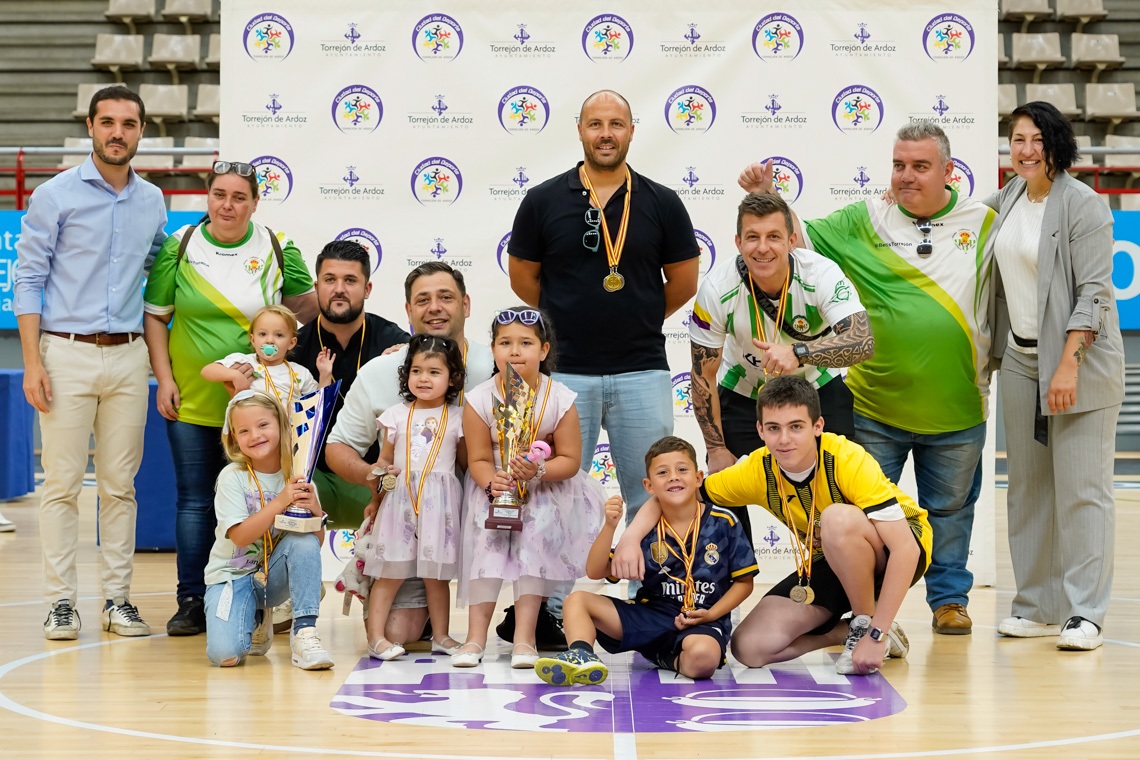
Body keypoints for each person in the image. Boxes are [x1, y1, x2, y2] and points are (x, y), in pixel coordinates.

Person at [739, 121, 996, 635]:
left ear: (949, 171)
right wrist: (766, 195)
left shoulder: (985, 222)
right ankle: (870, 614)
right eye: (899, 165)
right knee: (858, 518)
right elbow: (794, 240)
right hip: (873, 407)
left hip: (959, 406)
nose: (905, 176)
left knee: (950, 513)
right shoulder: (864, 218)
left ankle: (949, 601)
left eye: (920, 166)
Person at [507, 89, 699, 615]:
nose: (606, 133)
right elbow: (525, 278)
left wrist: (637, 313)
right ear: (580, 130)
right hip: (565, 372)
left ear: (632, 131)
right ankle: (550, 607)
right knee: (556, 492)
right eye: (596, 124)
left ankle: (656, 599)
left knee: (656, 491)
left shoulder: (660, 201)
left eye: (616, 124)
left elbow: (682, 279)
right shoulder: (544, 200)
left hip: (642, 369)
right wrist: (566, 320)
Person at [617, 377, 929, 675]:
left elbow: (905, 549)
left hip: (900, 549)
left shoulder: (846, 458)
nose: (784, 439)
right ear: (760, 431)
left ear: (817, 426)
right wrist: (630, 538)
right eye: (773, 428)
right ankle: (848, 632)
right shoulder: (755, 469)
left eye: (796, 427)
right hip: (836, 560)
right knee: (749, 648)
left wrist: (873, 634)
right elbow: (677, 493)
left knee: (837, 518)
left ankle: (866, 627)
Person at [16, 85, 167, 640]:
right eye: (108, 122)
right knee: (59, 486)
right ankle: (61, 603)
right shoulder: (54, 196)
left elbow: (157, 275)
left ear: (141, 132)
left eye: (129, 124)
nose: (117, 133)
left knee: (119, 486)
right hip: (64, 354)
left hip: (128, 358)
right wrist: (33, 362)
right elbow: (27, 279)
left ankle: (117, 600)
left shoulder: (153, 201)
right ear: (90, 126)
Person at [144, 160, 317, 637]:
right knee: (195, 502)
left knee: (267, 499)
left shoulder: (278, 247)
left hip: (262, 413)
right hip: (193, 400)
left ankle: (262, 597)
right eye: (220, 194)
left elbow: (304, 310)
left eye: (240, 197)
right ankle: (193, 600)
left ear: (255, 202)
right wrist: (164, 378)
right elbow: (156, 317)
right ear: (208, 197)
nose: (228, 204)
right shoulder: (180, 246)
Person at [988, 102, 1123, 651]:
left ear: (1056, 143)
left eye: (1035, 139)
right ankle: (1036, 603)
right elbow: (954, 222)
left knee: (1082, 491)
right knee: (1027, 490)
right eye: (1017, 139)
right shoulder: (1009, 198)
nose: (1024, 150)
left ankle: (1085, 612)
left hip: (1078, 364)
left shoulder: (1084, 205)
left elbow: (1094, 292)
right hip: (1020, 361)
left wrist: (1067, 364)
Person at [325, 262, 494, 649]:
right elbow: (337, 448)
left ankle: (532, 614)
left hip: (483, 510)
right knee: (399, 632)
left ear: (466, 305)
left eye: (446, 297)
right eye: (423, 300)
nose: (434, 307)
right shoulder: (382, 370)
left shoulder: (497, 365)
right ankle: (388, 609)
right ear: (408, 311)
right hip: (411, 515)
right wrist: (377, 479)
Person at [690, 192, 873, 542]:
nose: (763, 248)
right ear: (738, 242)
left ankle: (837, 583)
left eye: (774, 236)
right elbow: (703, 377)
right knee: (723, 494)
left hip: (814, 389)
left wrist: (800, 353)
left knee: (839, 495)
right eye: (752, 237)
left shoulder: (819, 272)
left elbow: (862, 341)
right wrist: (715, 449)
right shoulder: (716, 288)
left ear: (791, 240)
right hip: (746, 393)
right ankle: (732, 588)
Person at [535, 436, 757, 686]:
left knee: (703, 660)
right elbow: (595, 571)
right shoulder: (645, 530)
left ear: (698, 478)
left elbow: (744, 583)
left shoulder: (724, 521)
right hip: (652, 615)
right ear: (649, 486)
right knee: (576, 601)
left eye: (682, 469)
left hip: (703, 618)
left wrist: (711, 614)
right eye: (663, 472)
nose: (673, 476)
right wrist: (609, 526)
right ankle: (581, 654)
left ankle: (662, 656)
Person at [453, 307, 605, 669]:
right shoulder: (478, 399)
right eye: (505, 343)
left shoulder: (560, 398)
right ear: (492, 350)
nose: (515, 351)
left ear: (544, 349)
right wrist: (493, 480)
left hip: (542, 495)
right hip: (493, 494)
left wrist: (537, 471)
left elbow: (570, 460)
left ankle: (524, 640)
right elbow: (476, 459)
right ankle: (475, 639)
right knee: (486, 559)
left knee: (531, 560)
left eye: (525, 343)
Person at [203, 390, 333, 670]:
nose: (255, 435)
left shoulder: (298, 474)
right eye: (244, 430)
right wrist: (281, 501)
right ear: (234, 438)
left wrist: (315, 512)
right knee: (225, 656)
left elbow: (315, 543)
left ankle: (304, 634)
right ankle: (256, 616)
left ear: (282, 426)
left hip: (273, 575)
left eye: (263, 425)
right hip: (233, 576)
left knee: (303, 542)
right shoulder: (232, 477)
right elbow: (240, 536)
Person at [361, 334, 466, 660]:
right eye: (417, 370)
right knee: (390, 572)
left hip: (441, 506)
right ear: (406, 374)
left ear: (453, 378)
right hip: (399, 505)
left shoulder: (459, 418)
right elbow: (382, 463)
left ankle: (442, 636)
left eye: (434, 372)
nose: (424, 378)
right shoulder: (396, 415)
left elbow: (465, 464)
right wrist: (377, 492)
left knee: (436, 577)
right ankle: (376, 638)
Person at [293, 239, 410, 529]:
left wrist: (399, 366)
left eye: (350, 280)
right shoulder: (294, 347)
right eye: (330, 280)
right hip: (311, 476)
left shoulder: (396, 345)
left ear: (367, 289)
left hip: (376, 473)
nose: (339, 289)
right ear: (317, 286)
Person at [202, 304, 330, 402]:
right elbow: (207, 371)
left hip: (288, 435)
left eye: (279, 335)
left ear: (291, 343)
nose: (269, 340)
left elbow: (318, 402)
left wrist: (325, 374)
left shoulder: (300, 373)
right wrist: (235, 375)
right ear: (253, 339)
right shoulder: (245, 361)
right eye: (262, 334)